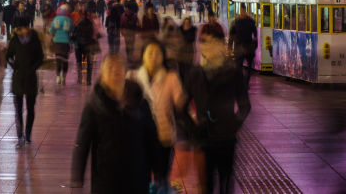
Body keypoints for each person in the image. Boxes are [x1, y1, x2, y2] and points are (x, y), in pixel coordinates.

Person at [70, 55, 158, 194]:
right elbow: (83, 142)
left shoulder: (140, 102)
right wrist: (77, 177)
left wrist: (159, 170)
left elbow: (152, 137)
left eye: (118, 68)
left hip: (137, 175)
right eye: (110, 68)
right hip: (106, 179)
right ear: (102, 75)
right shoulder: (94, 106)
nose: (115, 72)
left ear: (125, 72)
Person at [182, 22, 251, 194]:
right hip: (203, 139)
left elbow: (245, 106)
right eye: (204, 41)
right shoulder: (195, 73)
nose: (207, 46)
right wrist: (193, 128)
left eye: (213, 41)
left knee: (226, 184)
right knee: (205, 186)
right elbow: (181, 107)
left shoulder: (233, 71)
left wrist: (232, 126)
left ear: (221, 44)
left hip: (226, 140)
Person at [127, 39, 185, 193]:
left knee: (161, 175)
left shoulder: (171, 77)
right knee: (141, 175)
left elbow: (181, 104)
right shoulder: (132, 77)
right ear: (143, 55)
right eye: (150, 52)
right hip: (138, 135)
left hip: (163, 135)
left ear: (163, 56)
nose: (154, 56)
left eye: (158, 53)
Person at [6, 16, 44, 148]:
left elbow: (40, 57)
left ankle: (28, 134)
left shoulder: (34, 40)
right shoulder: (15, 40)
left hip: (31, 79)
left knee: (30, 108)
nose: (18, 31)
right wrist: (14, 66)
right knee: (18, 109)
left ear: (26, 28)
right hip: (18, 79)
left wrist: (32, 68)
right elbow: (8, 55)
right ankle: (20, 136)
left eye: (20, 29)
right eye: (17, 29)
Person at [229, 4, 258, 84]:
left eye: (243, 11)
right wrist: (230, 47)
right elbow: (231, 36)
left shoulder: (238, 22)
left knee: (243, 67)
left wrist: (254, 46)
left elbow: (255, 36)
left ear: (245, 11)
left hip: (245, 47)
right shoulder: (240, 22)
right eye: (242, 11)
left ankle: (245, 82)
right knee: (242, 67)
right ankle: (243, 82)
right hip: (243, 47)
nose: (242, 12)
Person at [72, 12, 98, 86]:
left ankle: (79, 78)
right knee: (89, 63)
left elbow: (74, 35)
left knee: (79, 62)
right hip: (88, 46)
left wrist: (74, 43)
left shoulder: (78, 24)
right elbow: (95, 35)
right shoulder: (91, 24)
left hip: (79, 46)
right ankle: (88, 80)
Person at [50, 5, 73, 85]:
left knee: (58, 59)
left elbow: (52, 30)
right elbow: (72, 30)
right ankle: (64, 76)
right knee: (65, 60)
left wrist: (53, 35)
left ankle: (58, 76)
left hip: (57, 41)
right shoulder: (69, 20)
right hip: (66, 42)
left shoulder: (55, 19)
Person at [177, 17, 197, 82]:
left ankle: (188, 80)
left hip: (189, 50)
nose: (187, 24)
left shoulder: (193, 29)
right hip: (181, 50)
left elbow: (193, 39)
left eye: (188, 23)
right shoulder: (180, 29)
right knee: (181, 66)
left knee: (189, 66)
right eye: (185, 22)